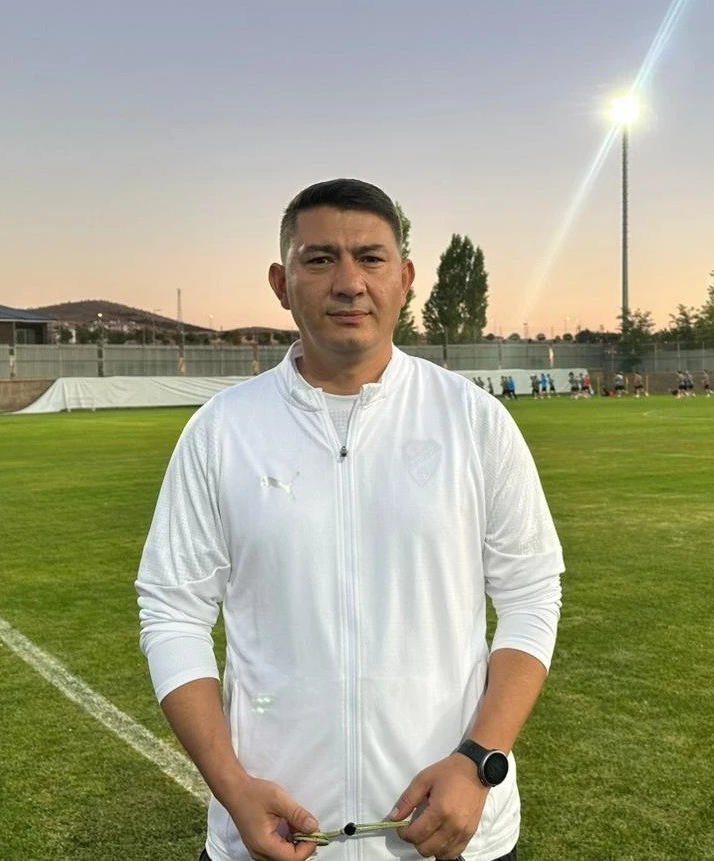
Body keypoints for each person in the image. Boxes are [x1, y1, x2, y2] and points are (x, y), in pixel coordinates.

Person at [136, 178, 563, 861]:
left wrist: (478, 761)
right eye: (319, 259)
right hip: (274, 835)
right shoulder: (221, 432)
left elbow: (531, 596)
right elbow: (172, 612)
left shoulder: (475, 422)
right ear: (281, 283)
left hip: (451, 832)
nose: (348, 282)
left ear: (405, 279)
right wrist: (232, 787)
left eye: (370, 258)